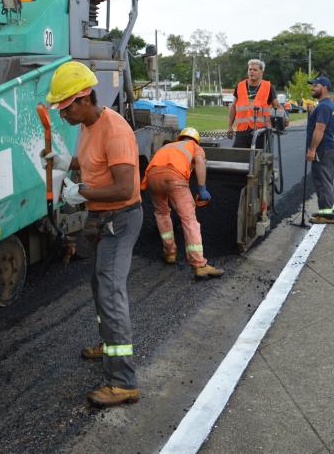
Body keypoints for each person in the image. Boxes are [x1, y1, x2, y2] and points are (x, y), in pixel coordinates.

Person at [41, 60, 143, 408]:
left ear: (84, 99)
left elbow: (125, 188)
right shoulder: (87, 126)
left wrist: (79, 193)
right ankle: (108, 344)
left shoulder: (115, 131)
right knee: (100, 285)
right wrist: (63, 161)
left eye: (65, 107)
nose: (61, 114)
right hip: (100, 218)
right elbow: (90, 164)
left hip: (121, 217)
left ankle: (123, 382)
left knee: (111, 290)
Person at [141, 128, 224, 279]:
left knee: (162, 213)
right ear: (196, 140)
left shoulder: (169, 146)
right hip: (174, 178)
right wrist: (202, 188)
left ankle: (170, 253)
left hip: (152, 178)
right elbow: (199, 162)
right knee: (189, 220)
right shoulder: (194, 146)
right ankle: (199, 265)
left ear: (180, 138)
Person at [227, 59, 290, 148]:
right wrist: (230, 126)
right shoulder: (240, 86)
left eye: (255, 70)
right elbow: (233, 106)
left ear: (261, 72)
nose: (251, 72)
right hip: (242, 131)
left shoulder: (268, 87)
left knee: (258, 159)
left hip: (261, 133)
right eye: (250, 69)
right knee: (238, 158)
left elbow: (277, 106)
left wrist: (285, 118)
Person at [305, 75, 334, 224]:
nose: (312, 88)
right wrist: (312, 112)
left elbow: (320, 129)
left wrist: (312, 149)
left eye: (316, 85)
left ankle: (327, 215)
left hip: (322, 149)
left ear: (324, 87)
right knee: (324, 180)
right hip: (327, 148)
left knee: (323, 181)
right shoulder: (327, 104)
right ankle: (325, 210)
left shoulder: (324, 106)